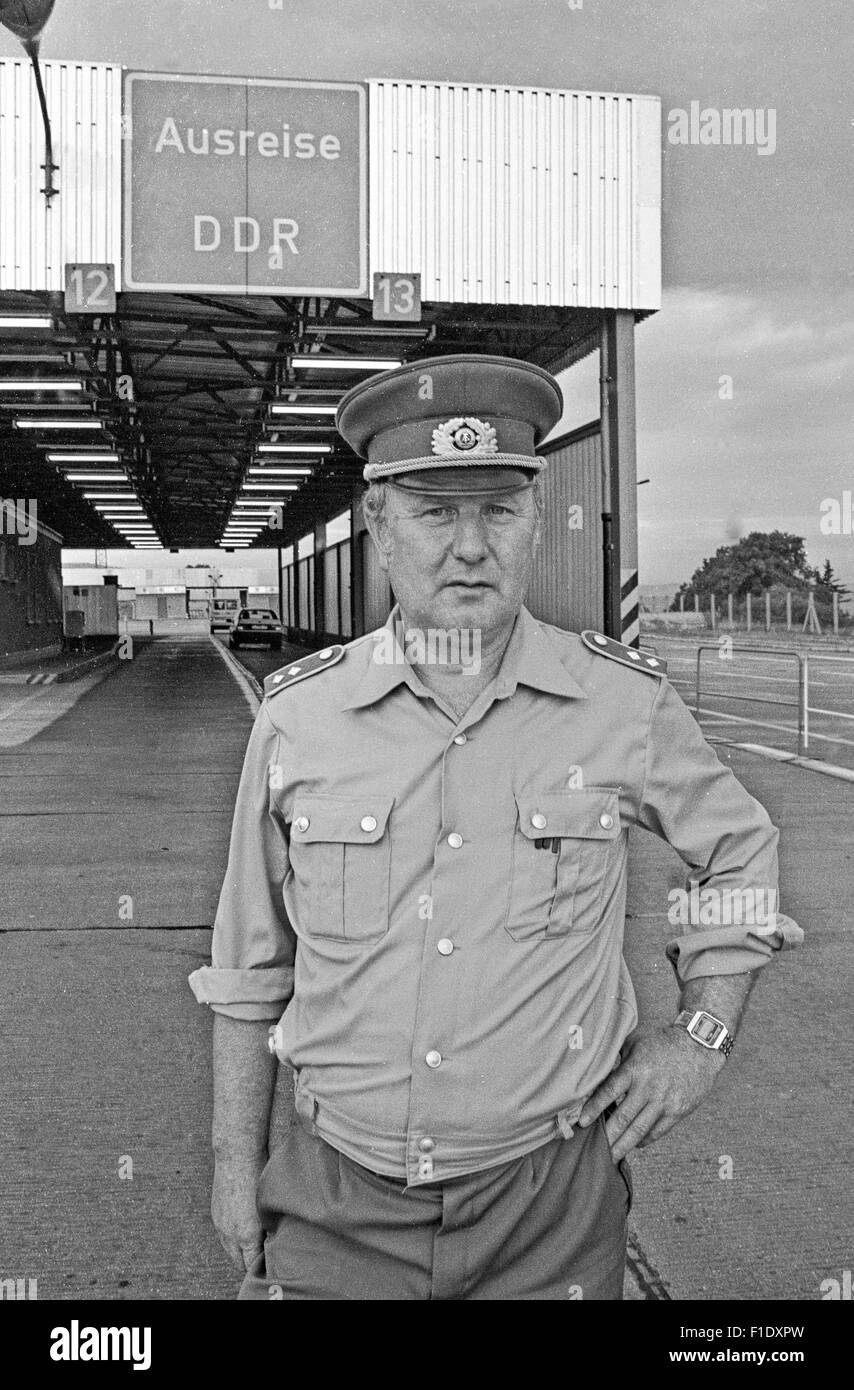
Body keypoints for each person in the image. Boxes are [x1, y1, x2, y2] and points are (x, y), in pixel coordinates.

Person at [189, 354, 802, 1301]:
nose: (470, 546)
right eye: (437, 512)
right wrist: (235, 1167)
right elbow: (248, 969)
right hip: (337, 1198)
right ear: (380, 529)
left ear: (533, 525)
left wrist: (701, 1037)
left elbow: (741, 853)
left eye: (499, 511)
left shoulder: (618, 704)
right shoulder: (300, 720)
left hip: (548, 1208)